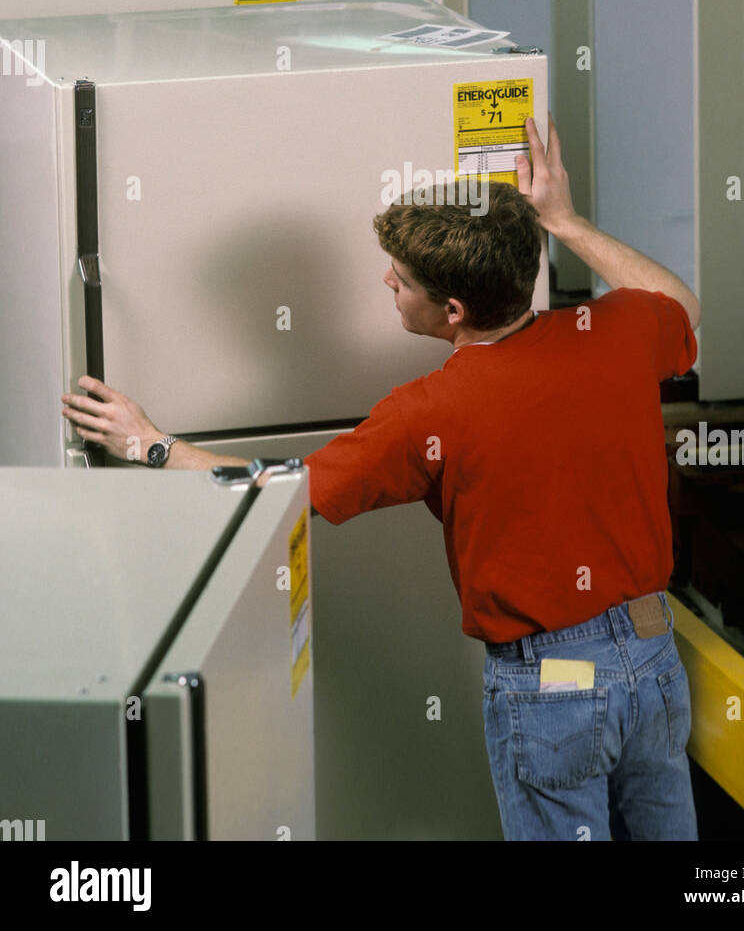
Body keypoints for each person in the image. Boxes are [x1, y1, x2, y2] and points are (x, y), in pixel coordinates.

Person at [61, 115, 700, 841]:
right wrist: (565, 220)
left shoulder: (428, 412)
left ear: (451, 311)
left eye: (400, 280)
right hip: (651, 660)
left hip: (555, 685)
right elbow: (681, 303)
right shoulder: (613, 332)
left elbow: (279, 491)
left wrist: (148, 445)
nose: (385, 282)